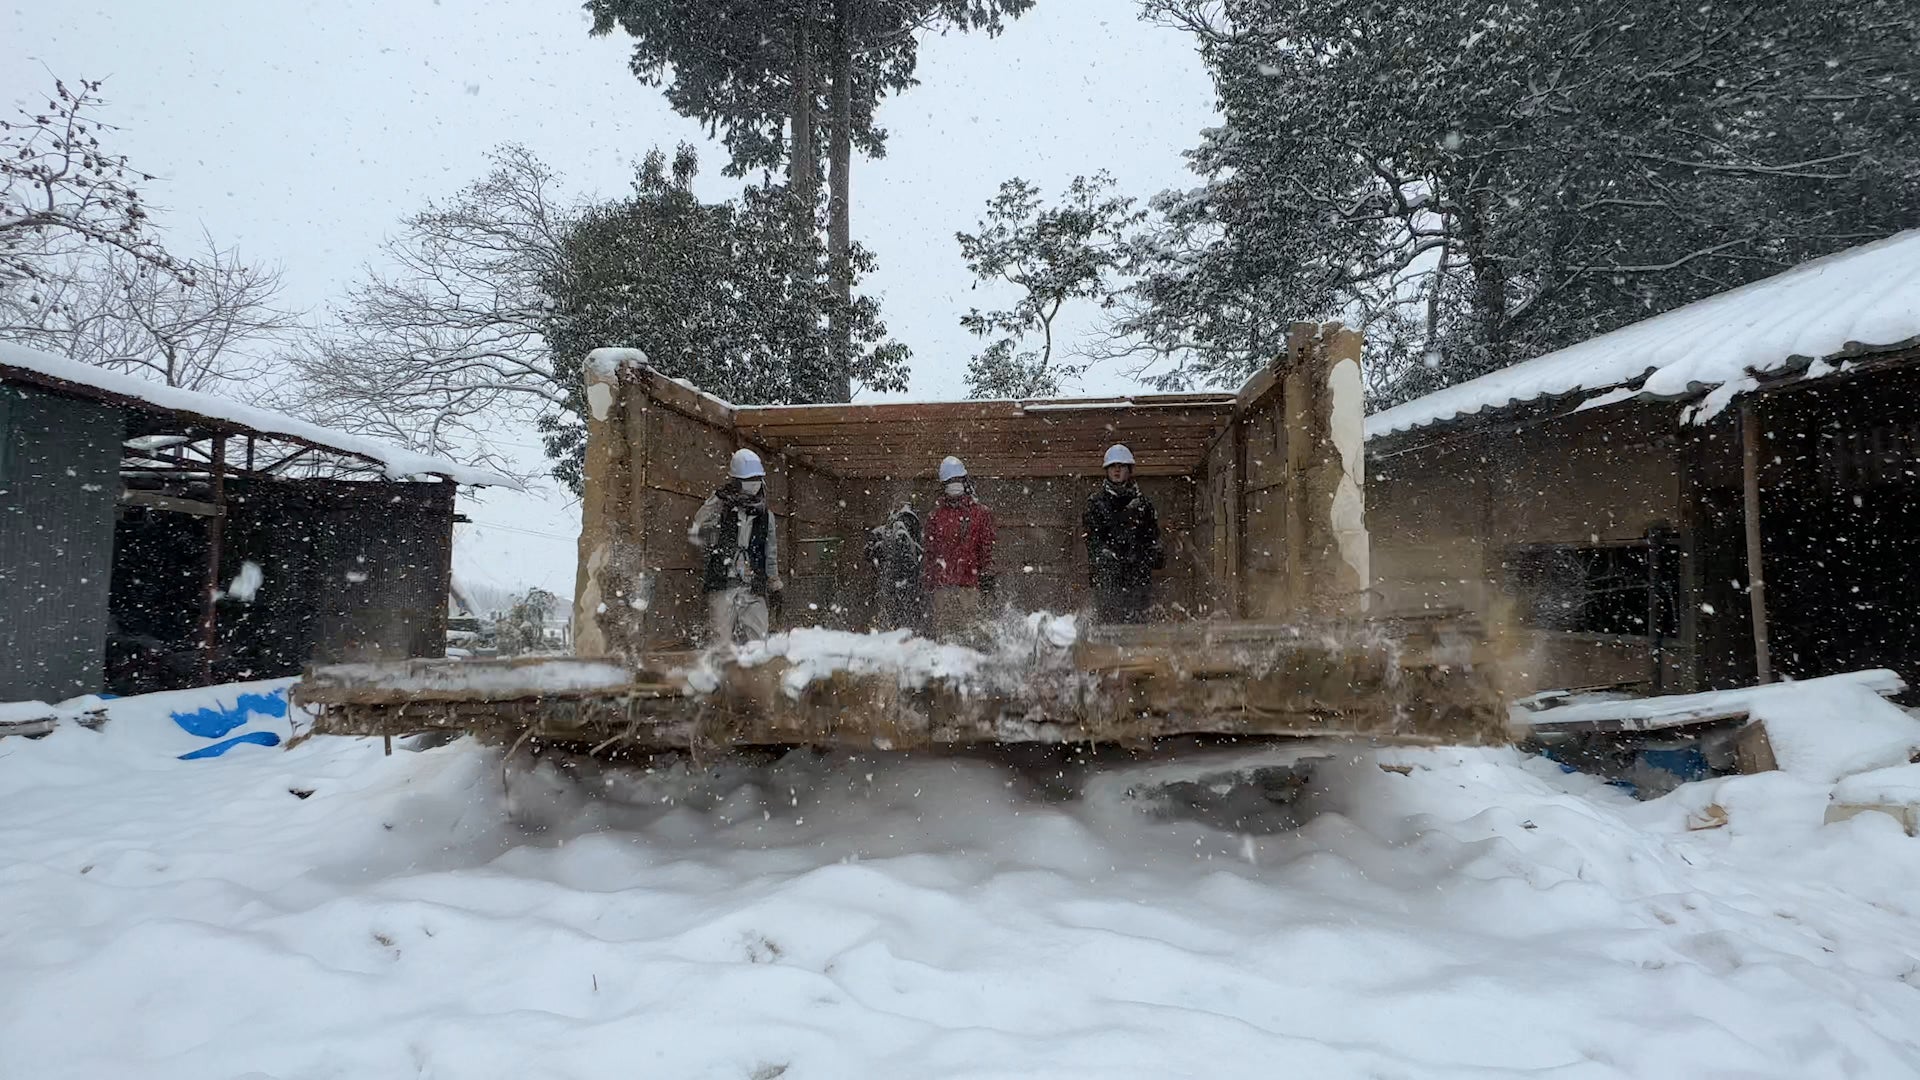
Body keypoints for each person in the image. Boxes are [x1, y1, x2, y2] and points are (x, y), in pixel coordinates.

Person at [688, 448, 785, 646]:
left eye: (757, 479)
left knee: (759, 641)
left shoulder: (766, 516)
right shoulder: (724, 508)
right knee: (720, 642)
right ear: (737, 481)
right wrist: (716, 498)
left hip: (752, 585)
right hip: (723, 582)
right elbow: (699, 523)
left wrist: (774, 582)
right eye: (748, 479)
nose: (753, 484)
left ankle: (754, 666)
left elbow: (770, 552)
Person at [1083, 443, 1165, 624]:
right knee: (1108, 626)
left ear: (1129, 470)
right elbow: (1093, 540)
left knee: (1137, 627)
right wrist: (1106, 557)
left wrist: (1148, 555)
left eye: (1121, 466)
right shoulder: (1096, 504)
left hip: (1137, 579)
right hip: (1108, 580)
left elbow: (1152, 537)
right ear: (1107, 470)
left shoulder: (1143, 505)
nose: (1117, 470)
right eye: (1112, 466)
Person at [923, 455, 997, 640]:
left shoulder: (936, 516)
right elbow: (986, 549)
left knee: (947, 637)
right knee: (968, 635)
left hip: (949, 586)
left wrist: (931, 581)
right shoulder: (980, 514)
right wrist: (985, 574)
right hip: (965, 586)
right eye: (952, 482)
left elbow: (930, 553)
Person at [865, 505, 926, 632]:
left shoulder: (881, 533)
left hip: (891, 578)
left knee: (893, 609)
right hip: (902, 579)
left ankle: (893, 629)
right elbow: (918, 557)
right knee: (904, 609)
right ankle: (903, 629)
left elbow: (868, 553)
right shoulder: (905, 536)